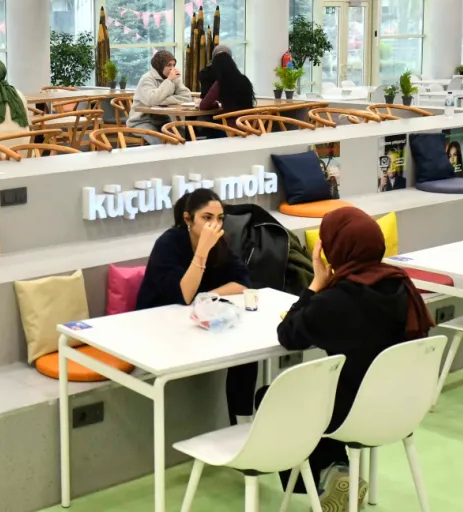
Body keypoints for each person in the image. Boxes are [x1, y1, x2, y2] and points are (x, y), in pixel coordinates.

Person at [263, 206, 433, 507]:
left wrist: (315, 284)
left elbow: (288, 335)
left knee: (271, 395)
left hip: (356, 413)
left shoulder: (335, 301)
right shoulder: (402, 285)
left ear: (335, 249)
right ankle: (335, 472)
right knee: (326, 391)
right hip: (404, 406)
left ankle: (329, 476)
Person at [137, 189, 255, 423]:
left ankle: (242, 423)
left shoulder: (220, 244)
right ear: (188, 219)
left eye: (220, 219)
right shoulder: (168, 244)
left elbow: (243, 282)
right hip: (157, 327)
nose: (214, 225)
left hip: (194, 324)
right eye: (207, 218)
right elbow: (184, 294)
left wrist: (208, 296)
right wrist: (202, 251)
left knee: (247, 352)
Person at [128, 50, 192, 135]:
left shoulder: (173, 78)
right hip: (141, 121)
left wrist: (161, 101)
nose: (172, 68)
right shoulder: (146, 79)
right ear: (160, 65)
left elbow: (187, 97)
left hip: (162, 120)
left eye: (173, 65)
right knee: (162, 139)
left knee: (184, 135)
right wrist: (168, 80)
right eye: (169, 65)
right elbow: (151, 100)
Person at [198, 52, 255, 132]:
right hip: (250, 125)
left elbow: (203, 105)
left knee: (203, 125)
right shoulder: (244, 80)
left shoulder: (221, 83)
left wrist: (215, 104)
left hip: (232, 128)